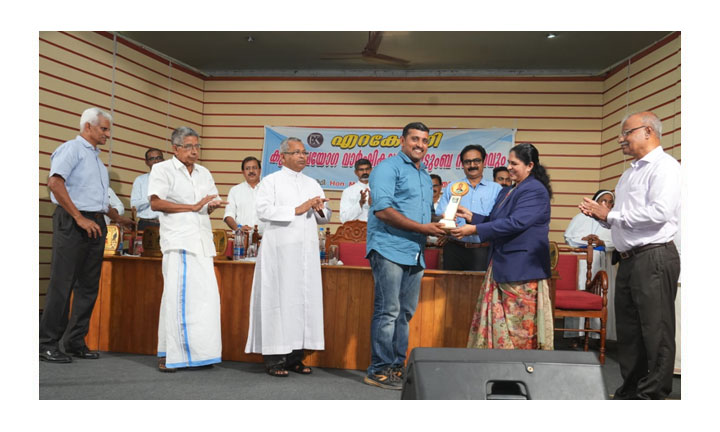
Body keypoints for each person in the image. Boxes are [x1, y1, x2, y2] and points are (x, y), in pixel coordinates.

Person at [579, 111, 680, 399]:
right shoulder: (629, 173)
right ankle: (631, 389)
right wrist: (600, 217)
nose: (620, 139)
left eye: (627, 132)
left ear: (648, 132)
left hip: (654, 256)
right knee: (629, 330)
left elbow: (660, 213)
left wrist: (611, 213)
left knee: (656, 329)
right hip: (629, 258)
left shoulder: (665, 168)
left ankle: (652, 393)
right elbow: (621, 218)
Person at [40, 107, 133, 363]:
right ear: (88, 127)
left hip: (95, 223)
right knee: (63, 284)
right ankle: (46, 343)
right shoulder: (71, 150)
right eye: (103, 129)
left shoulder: (97, 160)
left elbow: (97, 198)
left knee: (88, 287)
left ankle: (74, 341)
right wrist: (79, 218)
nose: (107, 134)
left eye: (108, 129)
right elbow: (55, 183)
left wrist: (116, 218)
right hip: (73, 221)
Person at [364, 122, 446, 390]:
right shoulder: (388, 168)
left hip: (414, 252)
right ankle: (378, 369)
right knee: (388, 311)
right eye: (415, 139)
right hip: (388, 248)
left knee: (405, 313)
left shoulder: (424, 175)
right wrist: (424, 228)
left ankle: (396, 367)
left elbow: (420, 215)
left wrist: (446, 223)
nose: (420, 144)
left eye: (424, 140)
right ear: (402, 140)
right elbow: (383, 210)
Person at [452, 143, 554, 351]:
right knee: (503, 327)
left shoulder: (534, 190)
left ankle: (519, 371)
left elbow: (515, 223)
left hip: (521, 270)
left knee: (519, 330)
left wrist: (474, 230)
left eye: (514, 163)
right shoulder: (508, 191)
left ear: (530, 165)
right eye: (508, 162)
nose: (508, 167)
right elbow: (496, 220)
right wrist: (472, 217)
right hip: (503, 265)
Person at [245, 137, 332, 377]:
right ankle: (274, 359)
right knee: (279, 301)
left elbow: (324, 218)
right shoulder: (271, 181)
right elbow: (262, 211)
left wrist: (320, 209)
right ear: (282, 157)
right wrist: (297, 209)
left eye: (304, 152)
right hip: (280, 253)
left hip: (306, 255)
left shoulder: (312, 183)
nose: (303, 156)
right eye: (297, 153)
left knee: (303, 302)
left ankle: (295, 357)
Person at [148, 126, 227, 372]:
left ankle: (199, 353)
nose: (194, 151)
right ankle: (173, 355)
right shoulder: (162, 169)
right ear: (175, 148)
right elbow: (155, 202)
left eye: (197, 146)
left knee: (204, 301)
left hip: (202, 241)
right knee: (178, 299)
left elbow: (207, 204)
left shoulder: (204, 172)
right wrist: (191, 207)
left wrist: (210, 205)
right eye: (189, 147)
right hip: (180, 241)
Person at [436, 144, 501, 271]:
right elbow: (440, 214)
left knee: (480, 289)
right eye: (467, 162)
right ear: (462, 164)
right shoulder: (453, 187)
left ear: (483, 162)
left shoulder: (496, 189)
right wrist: (446, 223)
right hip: (454, 249)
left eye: (476, 161)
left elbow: (499, 220)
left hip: (483, 249)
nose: (472, 165)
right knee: (452, 289)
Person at [563, 189, 616, 340]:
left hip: (603, 262)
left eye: (610, 201)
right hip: (582, 260)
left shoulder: (613, 221)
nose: (606, 204)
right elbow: (569, 237)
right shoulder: (580, 217)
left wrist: (602, 242)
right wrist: (587, 240)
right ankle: (575, 335)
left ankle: (599, 335)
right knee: (579, 293)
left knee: (602, 295)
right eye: (603, 201)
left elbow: (619, 241)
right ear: (595, 202)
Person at [224, 156, 263, 236]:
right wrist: (238, 229)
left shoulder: (269, 190)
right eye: (247, 168)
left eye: (254, 168)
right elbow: (228, 215)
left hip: (264, 239)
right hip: (241, 239)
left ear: (260, 170)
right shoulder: (235, 191)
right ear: (243, 172)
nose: (251, 171)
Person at [131, 148, 164, 231]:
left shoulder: (172, 180)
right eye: (152, 159)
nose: (156, 161)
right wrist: (150, 198)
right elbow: (134, 206)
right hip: (146, 224)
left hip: (167, 225)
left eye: (158, 158)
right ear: (147, 162)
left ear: (163, 160)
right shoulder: (140, 180)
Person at [339, 158, 372, 223]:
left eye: (367, 169)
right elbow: (344, 219)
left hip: (376, 230)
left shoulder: (379, 189)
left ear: (371, 170)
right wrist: (360, 203)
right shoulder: (348, 191)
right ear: (356, 172)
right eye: (361, 170)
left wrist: (373, 205)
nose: (365, 172)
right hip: (356, 231)